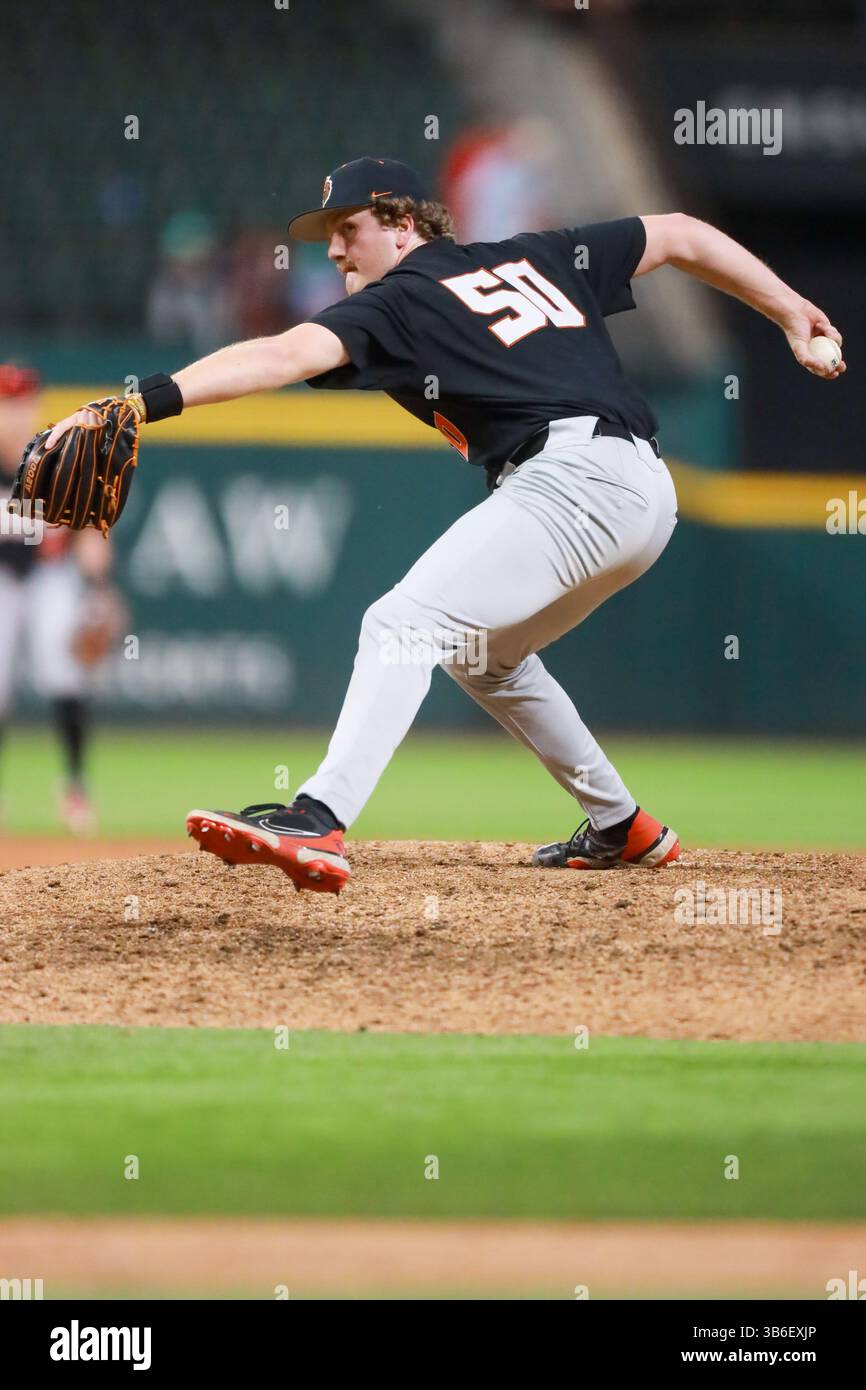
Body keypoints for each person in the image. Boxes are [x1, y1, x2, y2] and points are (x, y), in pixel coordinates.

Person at [45, 157, 845, 892]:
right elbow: (679, 235)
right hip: (642, 493)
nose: (336, 252)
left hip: (573, 480)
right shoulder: (538, 254)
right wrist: (790, 312)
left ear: (405, 225)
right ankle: (621, 826)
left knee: (401, 621)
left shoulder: (399, 299)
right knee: (482, 655)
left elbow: (279, 357)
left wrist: (140, 400)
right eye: (329, 239)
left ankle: (319, 819)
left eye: (350, 229)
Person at [0, 364, 122, 832]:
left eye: (22, 402)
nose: (15, 413)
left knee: (64, 675)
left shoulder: (59, 453)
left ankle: (75, 789)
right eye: (7, 404)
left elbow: (90, 532)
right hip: (4, 580)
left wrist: (98, 591)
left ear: (35, 405)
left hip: (52, 577)